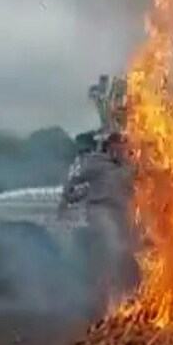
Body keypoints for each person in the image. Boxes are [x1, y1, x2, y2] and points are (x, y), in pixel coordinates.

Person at [63, 132, 135, 313]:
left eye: (124, 146)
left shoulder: (127, 167)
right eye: (118, 145)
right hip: (100, 211)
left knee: (127, 254)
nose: (122, 149)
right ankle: (109, 302)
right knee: (114, 250)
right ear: (110, 147)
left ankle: (120, 297)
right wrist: (68, 198)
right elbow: (74, 180)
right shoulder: (96, 163)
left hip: (121, 213)